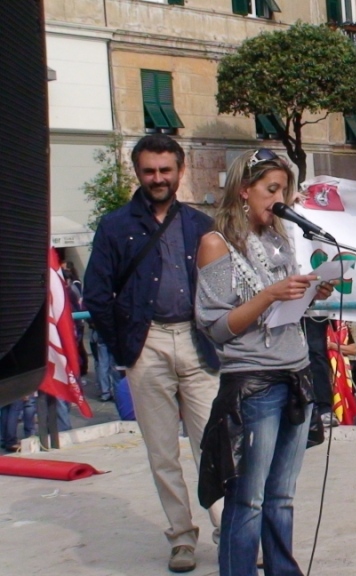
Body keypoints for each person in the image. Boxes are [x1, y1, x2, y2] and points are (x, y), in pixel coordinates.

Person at [83, 134, 221, 573]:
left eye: (165, 170)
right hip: (148, 344)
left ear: (180, 171)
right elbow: (96, 295)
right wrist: (125, 347)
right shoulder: (115, 225)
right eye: (149, 171)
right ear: (138, 173)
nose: (158, 178)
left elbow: (222, 286)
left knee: (215, 445)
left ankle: (229, 530)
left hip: (198, 343)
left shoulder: (201, 224)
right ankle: (181, 537)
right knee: (162, 452)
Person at [194, 148, 333, 576]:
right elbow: (216, 326)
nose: (279, 200)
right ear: (244, 190)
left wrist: (311, 293)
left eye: (284, 192)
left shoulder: (279, 239)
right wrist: (271, 294)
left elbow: (283, 313)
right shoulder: (216, 244)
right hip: (254, 381)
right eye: (271, 190)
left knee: (282, 495)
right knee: (249, 497)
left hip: (296, 370)